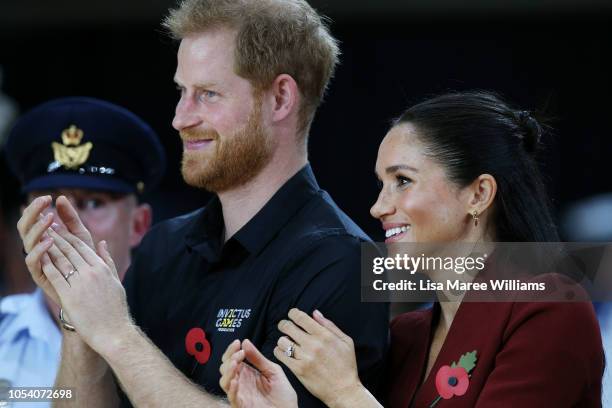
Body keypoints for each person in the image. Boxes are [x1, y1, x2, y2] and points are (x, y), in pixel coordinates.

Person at [17, 1, 389, 407]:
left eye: (208, 94)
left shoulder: (344, 264)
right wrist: (78, 316)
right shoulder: (162, 248)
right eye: (182, 92)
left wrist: (117, 333)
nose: (180, 117)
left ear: (280, 98)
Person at [219, 91, 605, 407]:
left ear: (479, 194)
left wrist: (345, 394)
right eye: (381, 184)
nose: (377, 207)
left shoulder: (551, 308)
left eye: (402, 180)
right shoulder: (407, 335)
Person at [0, 97, 164, 407]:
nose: (67, 221)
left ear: (139, 225)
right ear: (25, 221)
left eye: (93, 203)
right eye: (49, 202)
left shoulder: (173, 330)